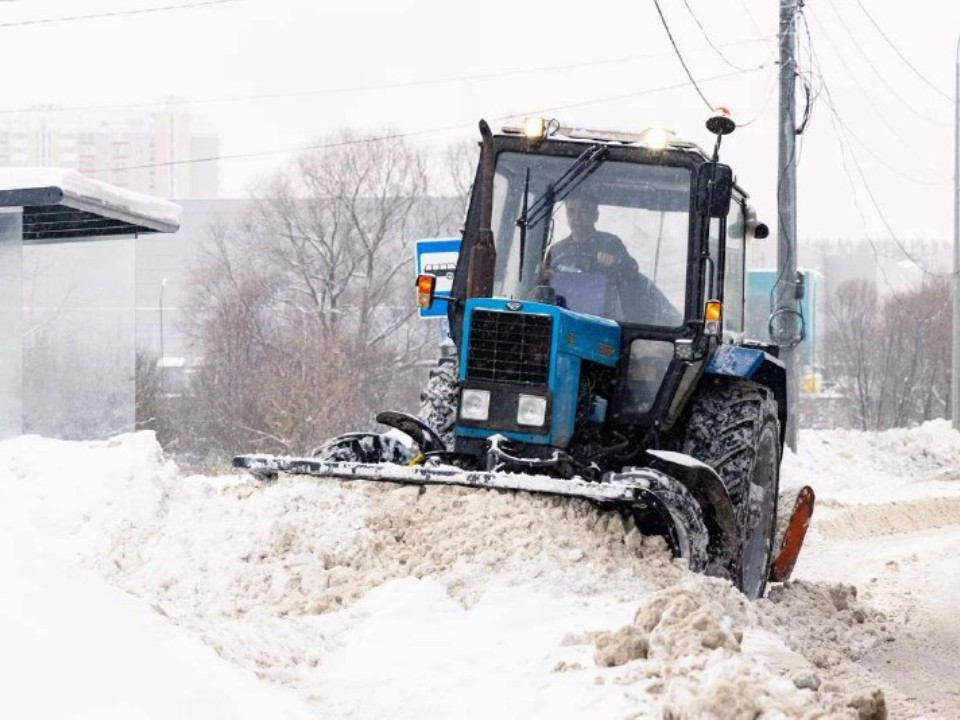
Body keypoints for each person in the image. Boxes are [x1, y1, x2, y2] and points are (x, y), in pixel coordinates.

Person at [539, 197, 679, 325]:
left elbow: (632, 271)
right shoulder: (557, 250)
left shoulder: (611, 243)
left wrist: (615, 261)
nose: (577, 217)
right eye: (571, 211)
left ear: (595, 216)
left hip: (607, 319)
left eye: (583, 211)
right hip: (565, 316)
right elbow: (541, 285)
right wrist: (546, 278)